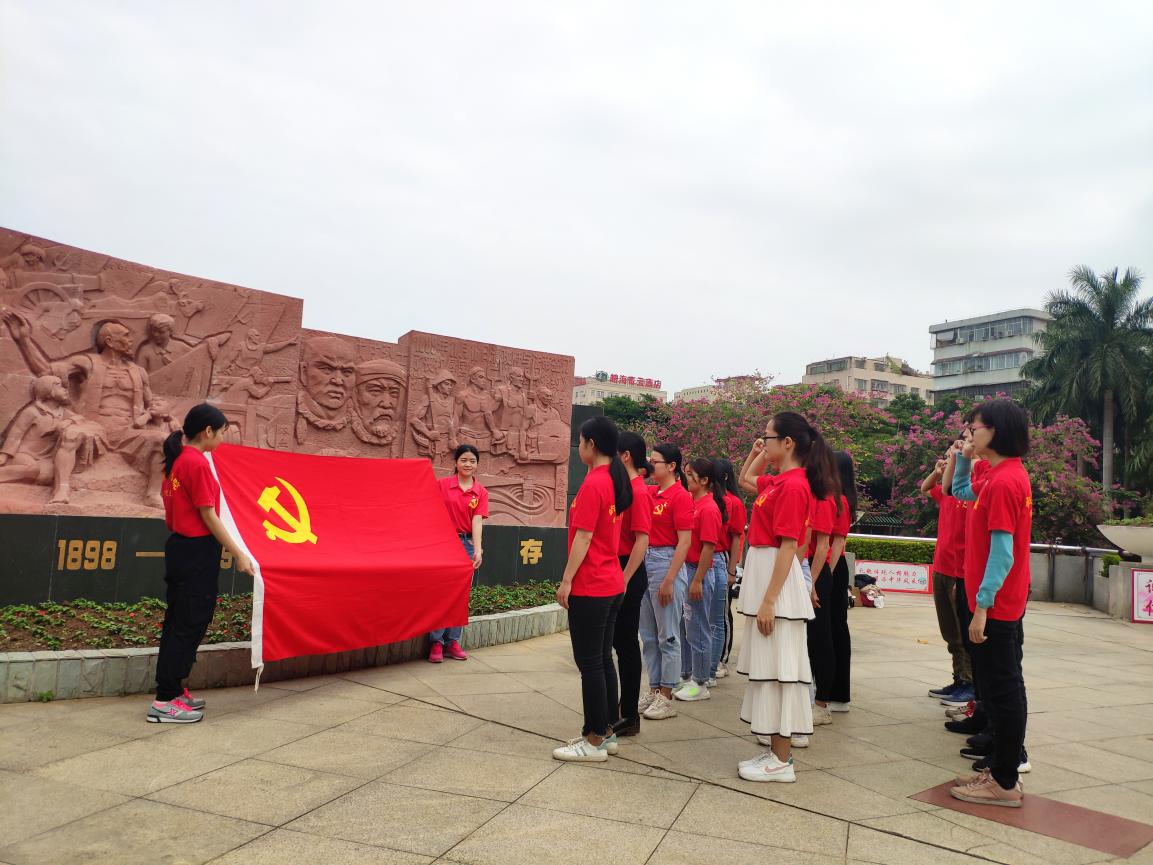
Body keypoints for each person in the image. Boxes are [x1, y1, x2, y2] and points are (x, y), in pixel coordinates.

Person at [735, 412, 830, 783]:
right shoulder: (779, 481)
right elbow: (745, 479)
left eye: (769, 436)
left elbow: (790, 546)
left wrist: (769, 600)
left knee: (783, 673)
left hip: (776, 585)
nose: (765, 441)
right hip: (767, 577)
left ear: (788, 442)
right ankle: (776, 751)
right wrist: (759, 450)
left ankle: (781, 758)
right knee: (772, 672)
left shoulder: (793, 486)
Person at [949, 399, 1032, 807]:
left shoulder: (1003, 482)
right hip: (999, 600)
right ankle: (1001, 768)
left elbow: (1003, 553)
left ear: (995, 430)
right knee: (999, 687)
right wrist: (965, 459)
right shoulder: (1003, 474)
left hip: (996, 604)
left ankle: (1004, 780)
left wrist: (982, 606)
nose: (970, 433)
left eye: (975, 427)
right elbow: (961, 491)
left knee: (1002, 689)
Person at [149, 404, 253, 723]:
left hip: (181, 548)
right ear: (208, 431)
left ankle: (173, 689)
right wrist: (239, 553)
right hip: (196, 551)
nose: (222, 439)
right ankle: (164, 701)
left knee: (179, 620)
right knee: (189, 621)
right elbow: (209, 516)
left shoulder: (178, 460)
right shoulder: (196, 464)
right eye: (222, 433)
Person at [552, 416, 634, 762]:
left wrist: (566, 579)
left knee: (590, 664)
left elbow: (584, 537)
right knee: (601, 660)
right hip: (610, 582)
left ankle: (595, 738)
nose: (579, 446)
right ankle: (606, 731)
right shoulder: (612, 480)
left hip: (593, 585)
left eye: (581, 441)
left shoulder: (595, 483)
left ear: (591, 445)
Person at [637, 443, 693, 721]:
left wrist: (670, 579)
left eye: (655, 461)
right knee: (648, 635)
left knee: (668, 634)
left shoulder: (680, 497)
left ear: (671, 466)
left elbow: (685, 541)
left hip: (666, 561)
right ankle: (654, 688)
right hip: (646, 560)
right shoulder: (651, 493)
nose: (651, 465)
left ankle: (667, 695)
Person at [921, 441, 976, 706]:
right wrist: (936, 471)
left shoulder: (968, 495)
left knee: (961, 631)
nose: (947, 463)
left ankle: (969, 682)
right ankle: (958, 679)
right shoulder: (947, 495)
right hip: (941, 568)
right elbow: (925, 488)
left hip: (958, 573)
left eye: (952, 459)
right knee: (949, 631)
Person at [674, 457, 727, 702]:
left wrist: (697, 580)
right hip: (688, 570)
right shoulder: (693, 504)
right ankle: (689, 676)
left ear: (705, 480)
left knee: (699, 629)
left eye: (690, 474)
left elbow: (709, 548)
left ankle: (701, 682)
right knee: (688, 627)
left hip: (698, 572)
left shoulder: (708, 508)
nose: (686, 478)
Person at [429, 444, 488, 662]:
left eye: (472, 461)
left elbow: (477, 520)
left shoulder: (480, 492)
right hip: (443, 543)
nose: (468, 464)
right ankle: (436, 642)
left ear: (477, 465)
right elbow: (430, 511)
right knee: (441, 593)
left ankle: (452, 641)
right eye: (464, 460)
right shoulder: (442, 485)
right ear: (455, 462)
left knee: (461, 595)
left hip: (466, 544)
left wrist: (478, 549)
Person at [611, 432, 652, 736]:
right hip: (619, 568)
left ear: (625, 455)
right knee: (618, 642)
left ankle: (629, 715)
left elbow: (642, 541)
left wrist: (624, 579)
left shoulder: (638, 492)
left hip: (629, 571)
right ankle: (622, 709)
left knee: (625, 644)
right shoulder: (625, 488)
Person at [804, 444, 842, 727]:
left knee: (821, 641)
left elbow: (822, 546)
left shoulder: (826, 498)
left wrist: (812, 583)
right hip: (806, 572)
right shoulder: (808, 493)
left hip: (815, 575)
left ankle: (822, 703)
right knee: (808, 641)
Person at [824, 451, 856, 713]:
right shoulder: (831, 499)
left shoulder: (841, 502)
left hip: (834, 569)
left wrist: (826, 575)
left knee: (836, 630)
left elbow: (837, 544)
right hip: (828, 569)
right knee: (830, 630)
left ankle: (838, 693)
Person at [713, 458, 746, 681]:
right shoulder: (707, 499)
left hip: (723, 559)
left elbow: (736, 538)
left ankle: (722, 659)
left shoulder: (734, 503)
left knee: (722, 613)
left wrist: (732, 569)